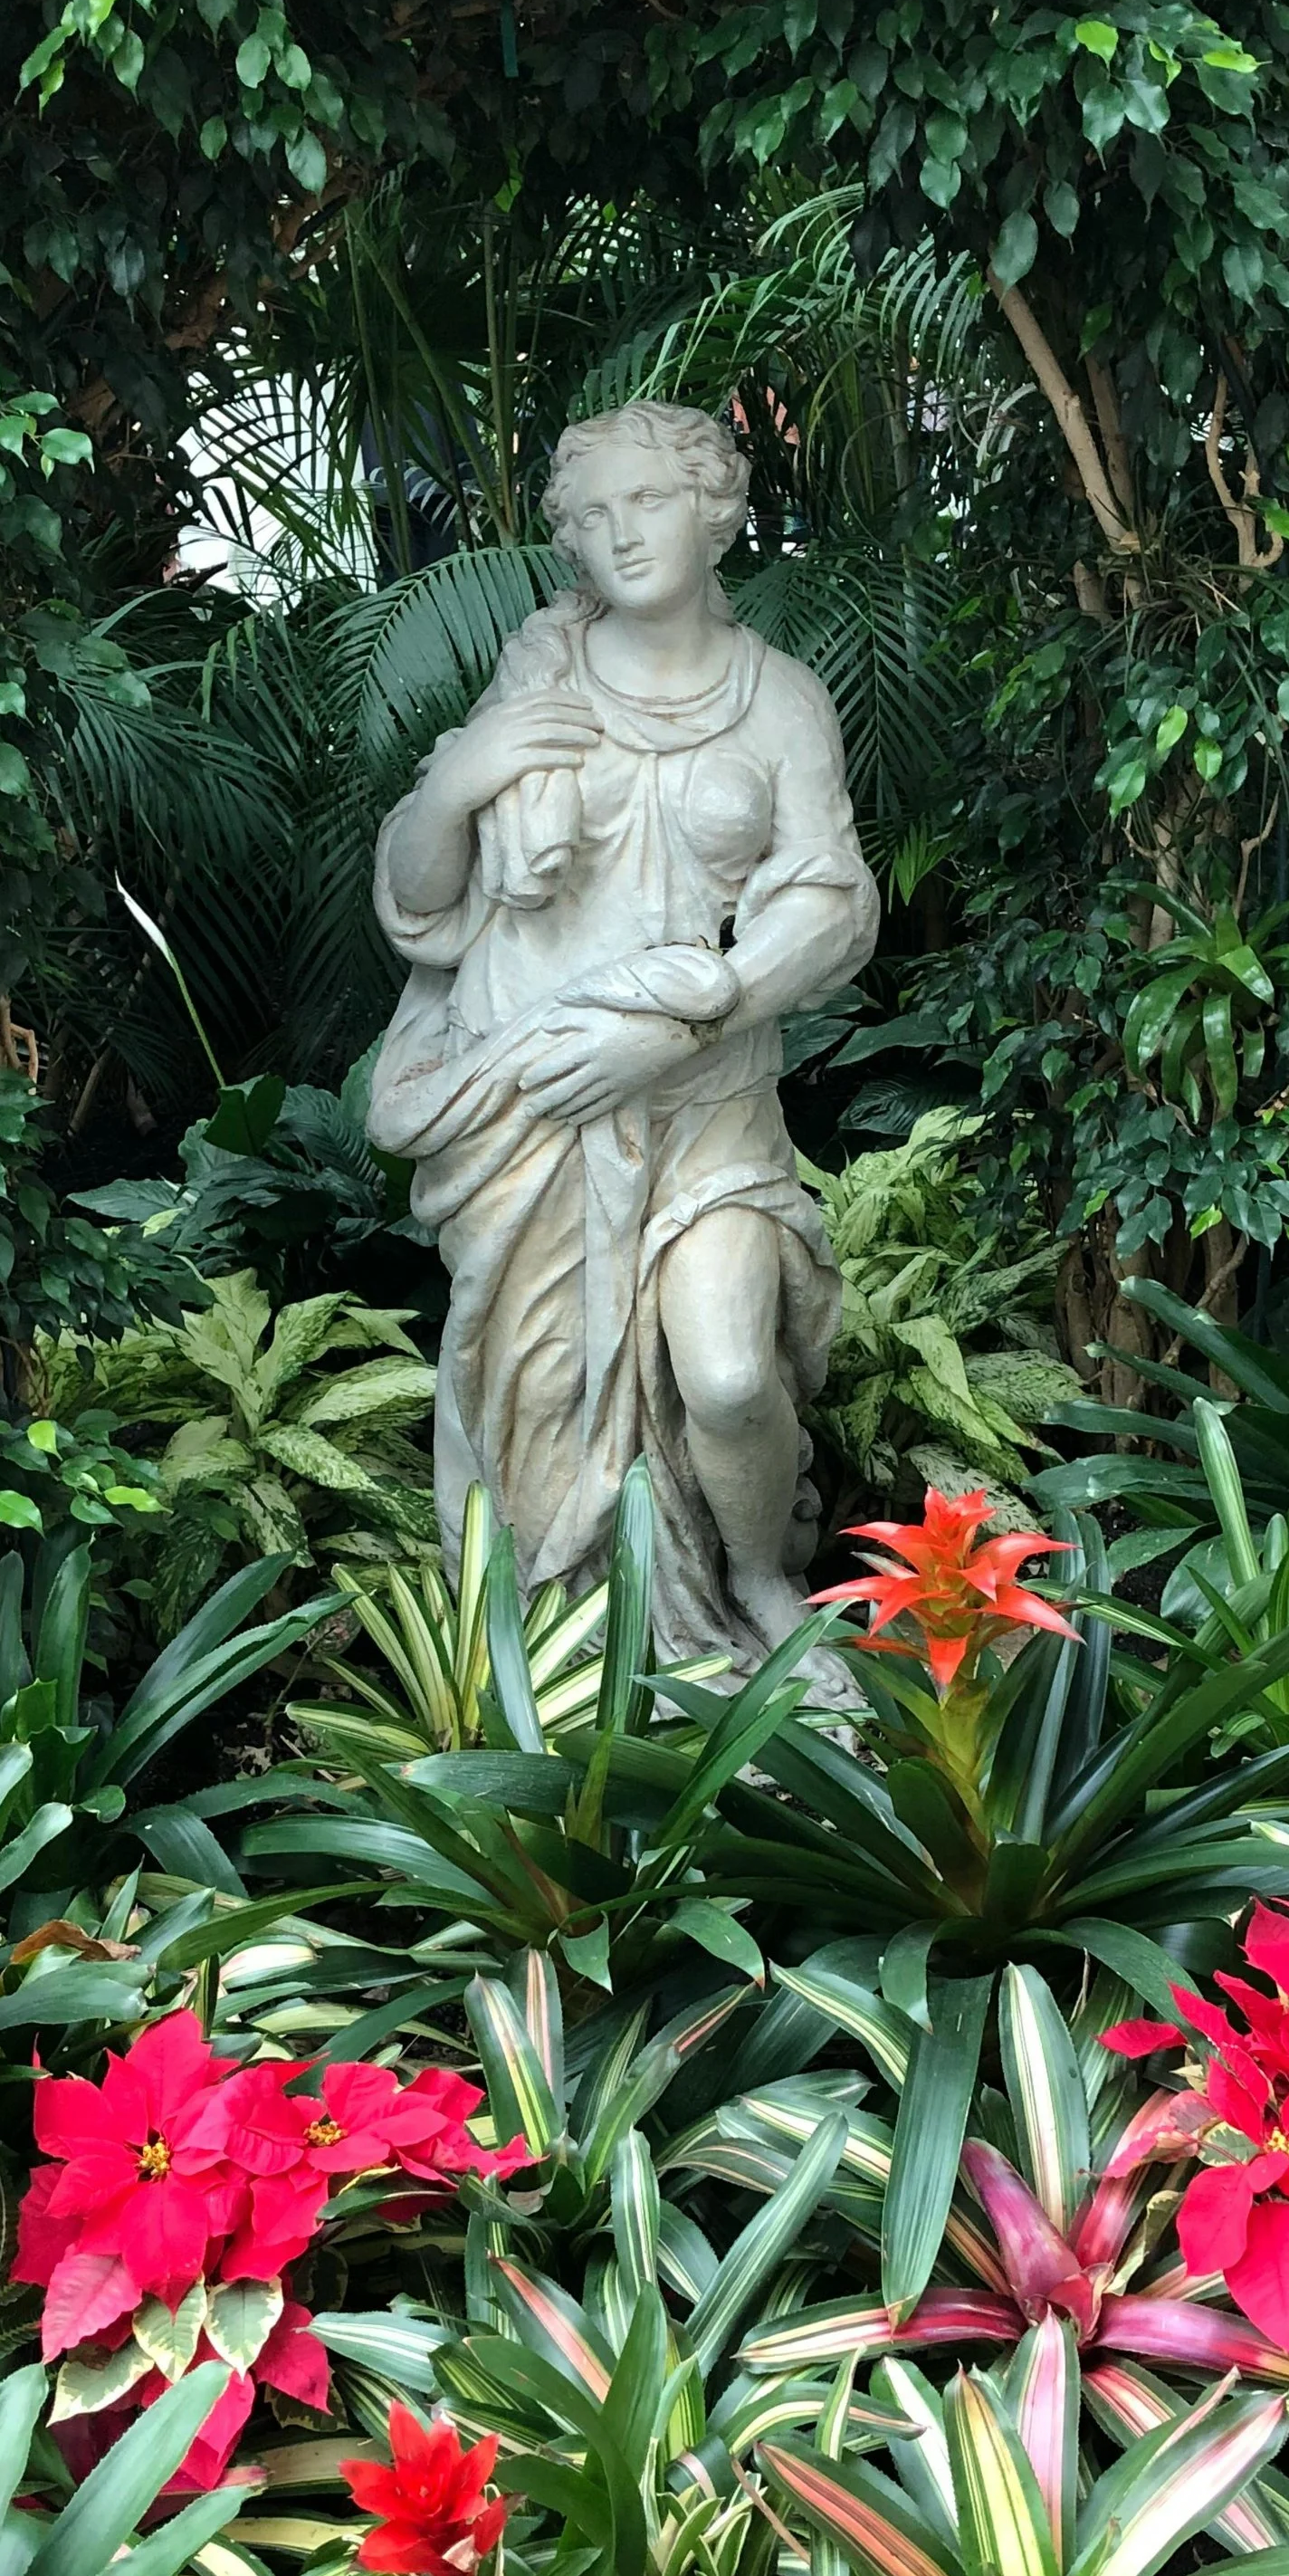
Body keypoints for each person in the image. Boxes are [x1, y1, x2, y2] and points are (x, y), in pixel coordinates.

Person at [367, 400, 879, 1667]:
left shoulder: (780, 701)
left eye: (647, 502)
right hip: (534, 1100)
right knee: (542, 1396)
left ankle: (759, 1580)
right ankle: (565, 1644)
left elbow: (831, 902)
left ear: (717, 511)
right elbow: (424, 904)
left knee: (727, 1377)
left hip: (705, 1106)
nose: (619, 536)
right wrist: (458, 779)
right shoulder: (535, 680)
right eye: (591, 517)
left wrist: (691, 1014)